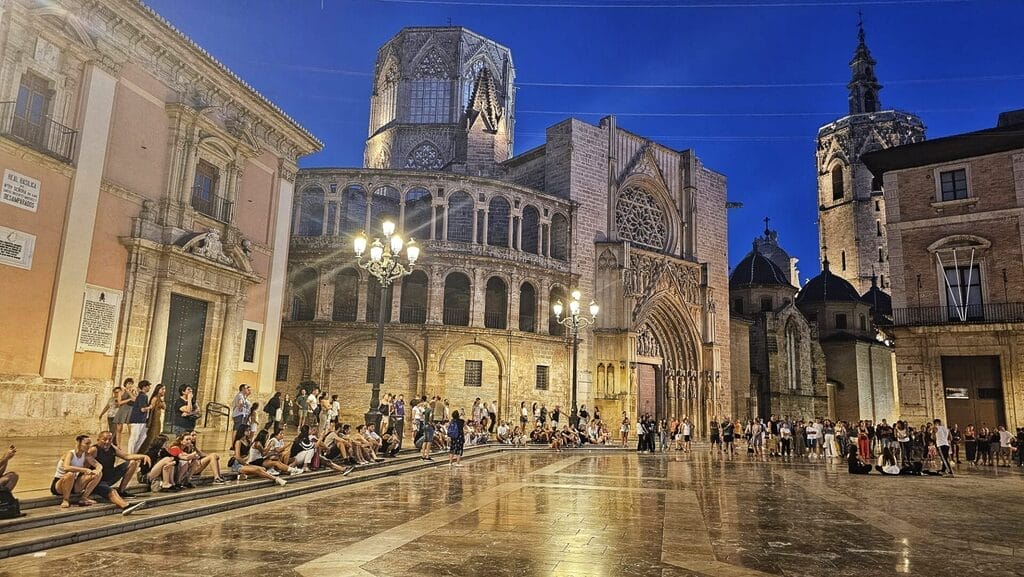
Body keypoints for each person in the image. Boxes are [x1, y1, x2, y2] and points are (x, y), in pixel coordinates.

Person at [88, 431, 148, 515]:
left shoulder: (112, 447)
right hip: (97, 481)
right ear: (98, 440)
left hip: (109, 477)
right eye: (104, 439)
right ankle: (125, 506)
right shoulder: (94, 450)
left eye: (110, 439)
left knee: (132, 463)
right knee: (112, 491)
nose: (107, 442)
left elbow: (126, 456)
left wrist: (144, 456)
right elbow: (84, 465)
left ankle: (122, 491)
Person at [52, 435, 102, 508]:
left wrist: (97, 470)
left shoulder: (85, 455)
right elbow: (66, 467)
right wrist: (84, 470)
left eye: (90, 444)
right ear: (79, 443)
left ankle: (84, 497)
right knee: (70, 474)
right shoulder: (70, 453)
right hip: (60, 484)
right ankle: (65, 499)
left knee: (98, 474)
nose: (89, 446)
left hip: (74, 484)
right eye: (87, 443)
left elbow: (98, 465)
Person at [126, 380, 152, 453]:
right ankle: (130, 453)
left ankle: (135, 452)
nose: (149, 388)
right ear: (144, 387)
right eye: (148, 386)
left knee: (143, 437)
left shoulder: (143, 396)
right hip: (137, 420)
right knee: (134, 438)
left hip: (141, 420)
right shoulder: (142, 396)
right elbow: (142, 409)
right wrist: (150, 407)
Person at [140, 383, 166, 453]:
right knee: (152, 435)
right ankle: (147, 450)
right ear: (158, 390)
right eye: (162, 389)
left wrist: (162, 400)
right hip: (154, 419)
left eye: (164, 389)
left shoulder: (160, 399)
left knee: (157, 434)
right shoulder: (154, 398)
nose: (164, 391)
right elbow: (151, 407)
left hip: (158, 419)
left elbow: (164, 407)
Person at [113, 378, 135, 448]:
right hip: (122, 410)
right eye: (128, 383)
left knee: (131, 429)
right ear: (125, 384)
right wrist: (128, 399)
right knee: (119, 429)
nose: (130, 385)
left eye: (131, 384)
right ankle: (118, 445)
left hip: (130, 410)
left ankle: (131, 444)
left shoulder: (133, 391)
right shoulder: (121, 392)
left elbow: (134, 399)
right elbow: (119, 403)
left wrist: (129, 393)